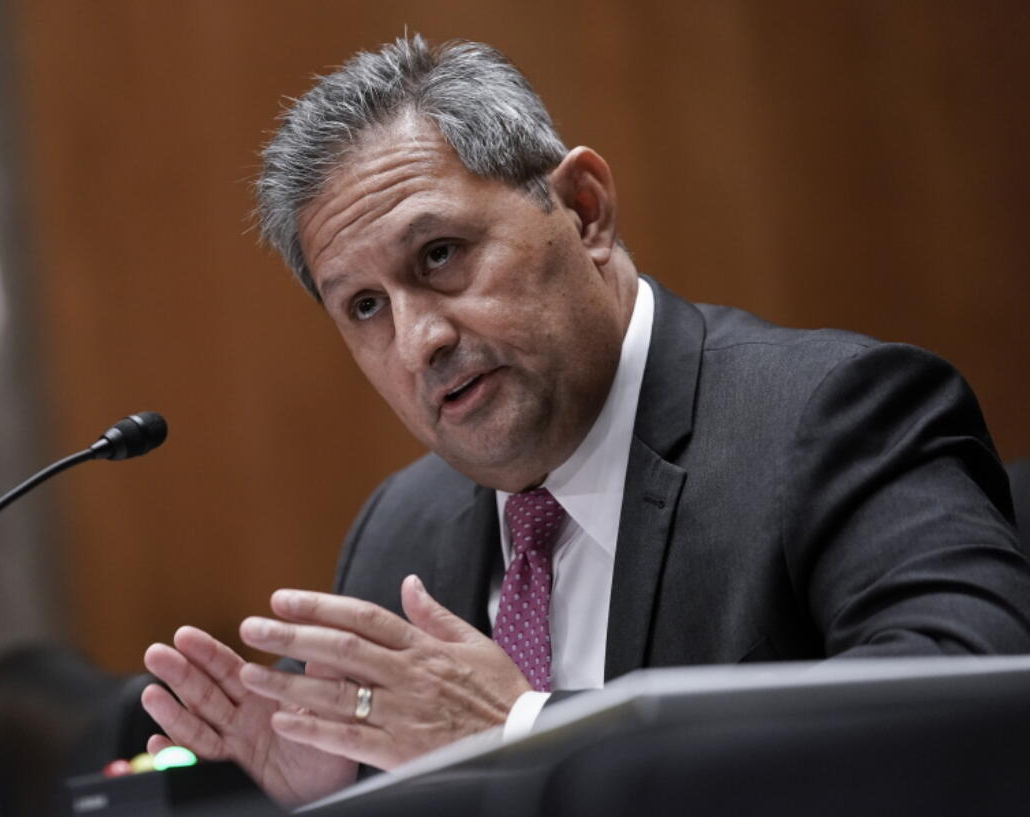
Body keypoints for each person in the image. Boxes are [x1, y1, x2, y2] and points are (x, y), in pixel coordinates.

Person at [139, 35, 1030, 807]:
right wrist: (351, 799)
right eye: (365, 307)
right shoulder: (397, 536)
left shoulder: (831, 417)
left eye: (440, 255)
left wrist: (530, 732)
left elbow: (972, 717)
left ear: (586, 210)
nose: (418, 341)